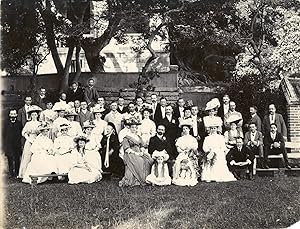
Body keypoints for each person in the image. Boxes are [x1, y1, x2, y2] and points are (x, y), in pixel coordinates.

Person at [119, 118, 153, 187]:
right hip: (130, 153)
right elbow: (127, 148)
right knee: (140, 161)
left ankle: (146, 178)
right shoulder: (126, 137)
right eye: (132, 127)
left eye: (135, 127)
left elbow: (142, 145)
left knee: (149, 160)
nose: (134, 129)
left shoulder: (138, 136)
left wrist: (142, 151)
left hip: (139, 151)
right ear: (129, 128)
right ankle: (138, 179)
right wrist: (136, 153)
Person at [18, 105, 42, 179]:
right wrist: (29, 139)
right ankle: (25, 173)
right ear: (30, 115)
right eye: (32, 115)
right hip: (30, 140)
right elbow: (23, 133)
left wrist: (37, 138)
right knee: (28, 156)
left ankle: (36, 173)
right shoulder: (28, 123)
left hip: (37, 140)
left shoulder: (40, 123)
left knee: (37, 156)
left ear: (37, 115)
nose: (34, 116)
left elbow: (42, 132)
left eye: (35, 114)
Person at [2, 109, 23, 178]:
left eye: (14, 114)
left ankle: (17, 173)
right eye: (12, 114)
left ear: (16, 115)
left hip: (17, 144)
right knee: (10, 158)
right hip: (9, 144)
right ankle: (11, 173)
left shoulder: (19, 123)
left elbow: (21, 134)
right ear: (9, 115)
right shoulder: (5, 123)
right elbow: (3, 134)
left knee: (17, 159)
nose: (13, 115)